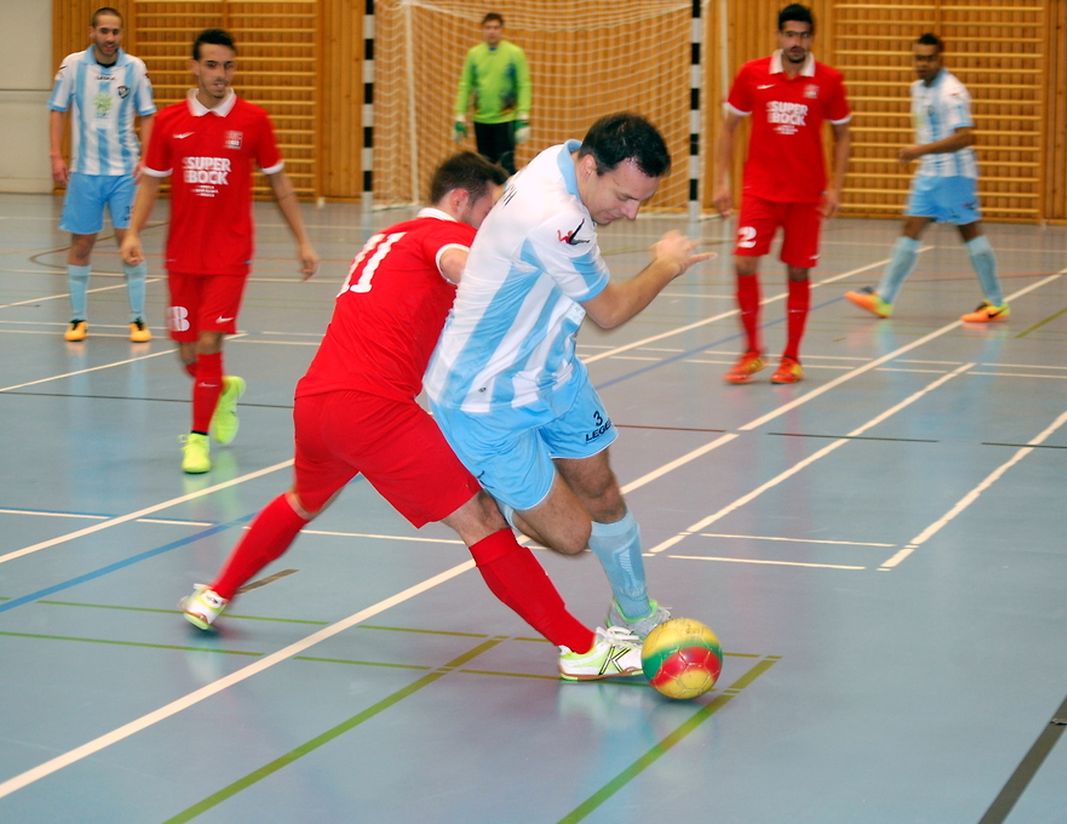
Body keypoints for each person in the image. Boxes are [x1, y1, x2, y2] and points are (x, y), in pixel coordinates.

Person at [179, 151, 643, 682]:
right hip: (374, 409)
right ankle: (581, 648)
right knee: (481, 519)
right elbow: (466, 267)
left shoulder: (388, 237)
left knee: (302, 500)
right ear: (460, 200)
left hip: (316, 402)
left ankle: (214, 594)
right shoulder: (446, 236)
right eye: (489, 210)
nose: (493, 225)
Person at [425, 113, 714, 640]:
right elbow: (610, 311)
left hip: (551, 371)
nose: (631, 213)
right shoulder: (558, 219)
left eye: (641, 201)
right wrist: (667, 264)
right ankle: (484, 488)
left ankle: (635, 612)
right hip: (483, 397)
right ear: (589, 167)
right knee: (572, 534)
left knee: (602, 491)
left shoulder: (562, 158)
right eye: (624, 197)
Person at [120, 28, 319, 475]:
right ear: (194, 67)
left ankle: (197, 440)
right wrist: (132, 233)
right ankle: (222, 388)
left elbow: (279, 184)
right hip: (182, 256)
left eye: (228, 66)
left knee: (210, 341)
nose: (220, 74)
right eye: (211, 65)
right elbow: (150, 183)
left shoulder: (252, 120)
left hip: (230, 256)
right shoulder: (169, 122)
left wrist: (303, 241)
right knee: (188, 354)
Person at [713, 3, 853, 386]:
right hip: (760, 191)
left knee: (798, 270)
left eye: (803, 36)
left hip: (806, 197)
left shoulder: (828, 80)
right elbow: (729, 127)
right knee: (744, 263)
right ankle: (752, 352)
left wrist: (836, 187)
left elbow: (842, 135)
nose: (796, 42)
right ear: (779, 36)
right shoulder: (753, 74)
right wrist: (721, 182)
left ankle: (791, 358)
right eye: (790, 34)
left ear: (812, 38)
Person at [844, 32, 1008, 324]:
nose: (922, 64)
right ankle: (884, 299)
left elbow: (965, 137)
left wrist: (919, 151)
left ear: (940, 59)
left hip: (954, 175)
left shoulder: (952, 92)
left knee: (969, 231)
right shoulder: (917, 89)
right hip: (929, 175)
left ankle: (995, 303)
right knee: (911, 228)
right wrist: (922, 156)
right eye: (918, 58)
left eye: (929, 59)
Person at [48, 6, 157, 343]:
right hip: (85, 172)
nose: (110, 38)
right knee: (81, 244)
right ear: (92, 32)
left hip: (125, 173)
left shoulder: (135, 68)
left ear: (121, 34)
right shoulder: (73, 65)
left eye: (115, 32)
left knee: (130, 242)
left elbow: (148, 115)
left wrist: (148, 158)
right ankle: (77, 318)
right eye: (104, 31)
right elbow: (57, 110)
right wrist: (56, 155)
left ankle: (137, 319)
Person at [453, 12, 531, 175]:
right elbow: (465, 85)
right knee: (485, 169)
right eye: (488, 27)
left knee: (506, 166)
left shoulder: (514, 53)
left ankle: (511, 193)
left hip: (506, 119)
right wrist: (459, 116)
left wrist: (523, 116)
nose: (492, 31)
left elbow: (523, 85)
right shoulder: (474, 55)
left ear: (502, 30)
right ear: (482, 29)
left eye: (496, 27)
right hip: (481, 120)